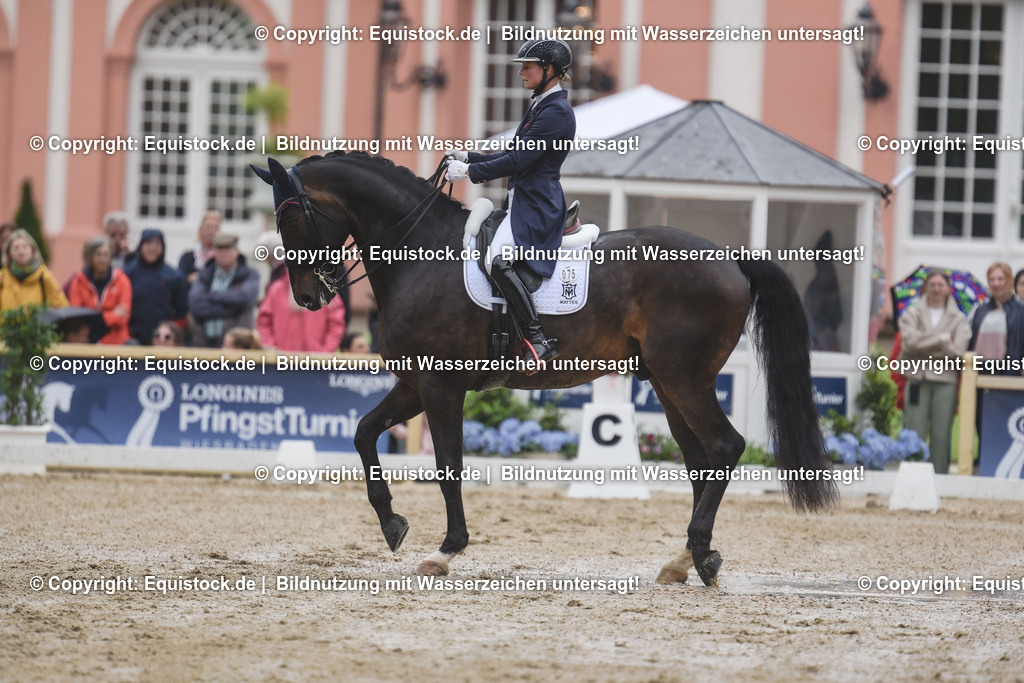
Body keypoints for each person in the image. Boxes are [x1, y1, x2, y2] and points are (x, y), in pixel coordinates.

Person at [444, 39, 576, 370]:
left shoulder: (556, 112)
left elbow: (518, 160)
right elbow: (513, 153)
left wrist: (470, 172)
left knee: (496, 260)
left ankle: (538, 338)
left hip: (538, 205)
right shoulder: (542, 105)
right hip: (523, 201)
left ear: (548, 69)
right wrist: (470, 157)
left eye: (527, 67)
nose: (521, 72)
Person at [899, 271, 971, 474]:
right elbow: (909, 343)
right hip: (918, 378)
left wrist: (923, 342)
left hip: (946, 381)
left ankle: (939, 477)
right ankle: (911, 476)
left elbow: (959, 353)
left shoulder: (959, 319)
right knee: (914, 430)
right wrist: (942, 340)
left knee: (941, 433)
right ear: (926, 287)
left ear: (948, 289)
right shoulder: (912, 313)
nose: (936, 289)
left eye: (941, 285)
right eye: (932, 284)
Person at [968, 262, 1024, 447]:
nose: (996, 283)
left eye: (1000, 279)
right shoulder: (981, 310)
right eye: (992, 279)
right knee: (980, 420)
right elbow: (971, 341)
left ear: (1009, 281)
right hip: (981, 374)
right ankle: (982, 458)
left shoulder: (1021, 310)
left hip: (1009, 374)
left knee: (1006, 423)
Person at [188, 232, 259, 348]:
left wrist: (212, 295)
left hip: (237, 346)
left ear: (236, 251)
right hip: (204, 345)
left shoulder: (250, 274)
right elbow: (195, 305)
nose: (224, 253)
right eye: (220, 249)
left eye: (228, 249)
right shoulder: (204, 275)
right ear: (214, 252)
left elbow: (244, 298)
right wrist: (232, 308)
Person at [123, 228, 188, 344]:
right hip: (132, 338)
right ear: (141, 246)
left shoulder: (174, 276)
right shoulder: (127, 273)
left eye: (157, 244)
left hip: (164, 341)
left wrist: (171, 335)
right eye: (148, 243)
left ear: (163, 247)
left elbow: (181, 312)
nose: (152, 248)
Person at [67, 236, 132, 344]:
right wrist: (110, 315)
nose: (102, 259)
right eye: (98, 255)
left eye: (106, 255)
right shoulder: (78, 281)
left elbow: (123, 317)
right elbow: (77, 316)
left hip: (116, 342)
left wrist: (94, 318)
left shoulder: (122, 280)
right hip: (87, 341)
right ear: (90, 257)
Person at [257, 276, 345, 352]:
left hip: (316, 361)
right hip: (282, 360)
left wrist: (324, 353)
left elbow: (336, 326)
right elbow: (264, 323)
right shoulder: (277, 290)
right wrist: (271, 348)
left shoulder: (326, 292)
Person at [0, 229, 69, 311]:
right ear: (9, 253)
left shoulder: (43, 276)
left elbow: (61, 306)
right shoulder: (2, 277)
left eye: (25, 247)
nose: (21, 251)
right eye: (16, 248)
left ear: (32, 250)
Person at [179, 210, 222, 284]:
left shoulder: (224, 257)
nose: (211, 232)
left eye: (215, 228)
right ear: (200, 230)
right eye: (208, 227)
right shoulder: (187, 258)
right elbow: (181, 282)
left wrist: (198, 277)